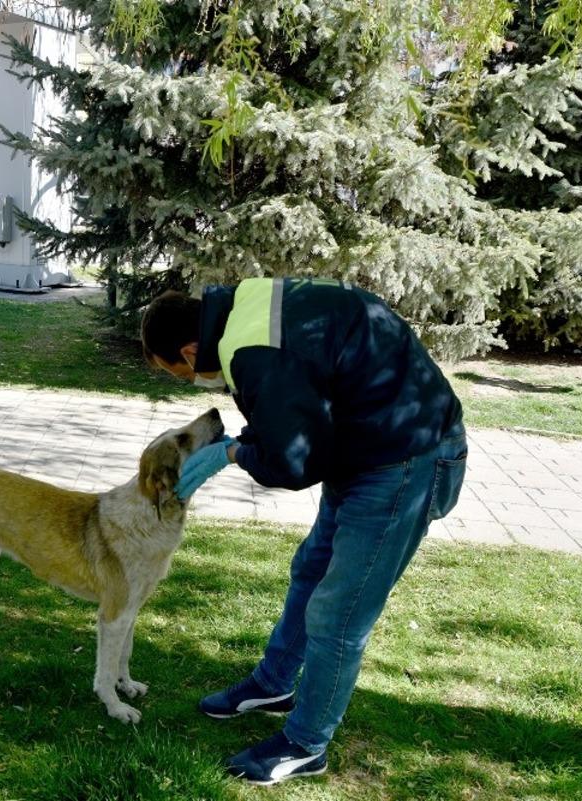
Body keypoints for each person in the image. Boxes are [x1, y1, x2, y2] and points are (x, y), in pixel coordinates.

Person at [141, 277, 466, 786]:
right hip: (362, 446)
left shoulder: (248, 349)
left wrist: (233, 453)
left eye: (179, 374)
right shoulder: (241, 308)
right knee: (310, 570)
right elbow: (291, 404)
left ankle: (306, 744)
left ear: (188, 351)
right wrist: (248, 440)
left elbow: (292, 465)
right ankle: (273, 684)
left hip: (407, 458)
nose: (190, 381)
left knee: (338, 613)